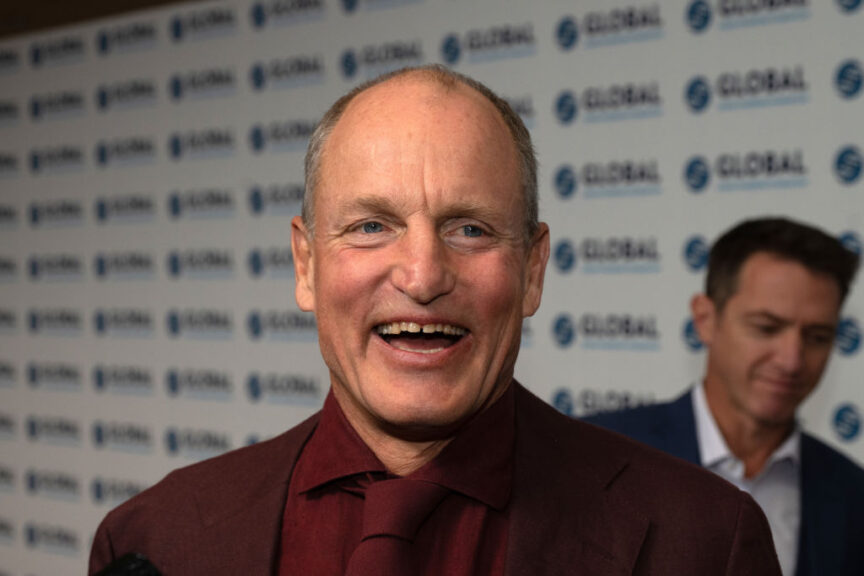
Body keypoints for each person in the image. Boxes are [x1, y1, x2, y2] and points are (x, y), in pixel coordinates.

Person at [89, 65, 781, 575]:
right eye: (370, 226)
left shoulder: (705, 542)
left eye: (471, 229)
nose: (422, 275)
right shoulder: (155, 539)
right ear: (306, 265)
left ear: (533, 269)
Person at [585, 217, 864, 576]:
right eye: (766, 328)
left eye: (817, 337)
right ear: (705, 319)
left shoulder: (852, 495)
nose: (792, 360)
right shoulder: (599, 458)